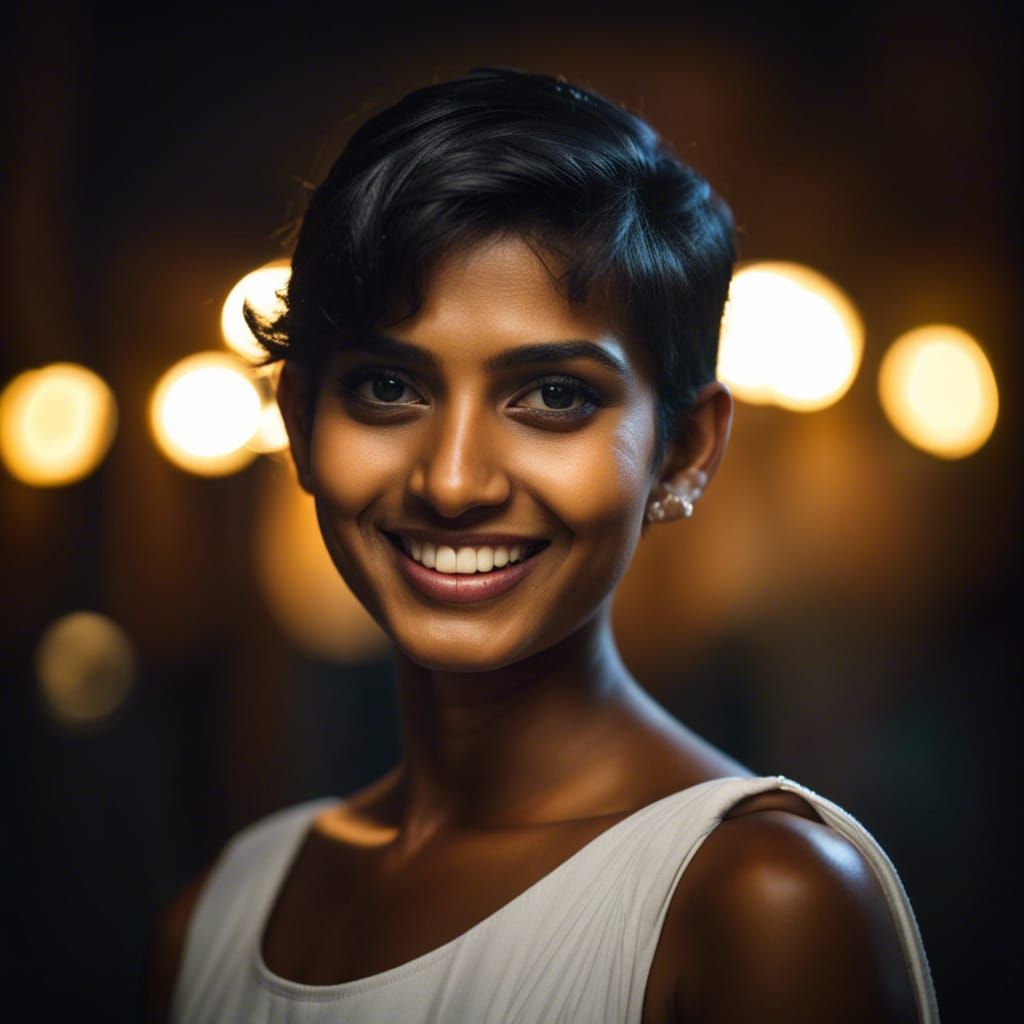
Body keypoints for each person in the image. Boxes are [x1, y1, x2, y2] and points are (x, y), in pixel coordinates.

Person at [141, 68, 938, 1023]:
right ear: (304, 423)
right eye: (389, 388)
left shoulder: (763, 897)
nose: (453, 480)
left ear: (684, 451)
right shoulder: (218, 914)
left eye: (554, 396)